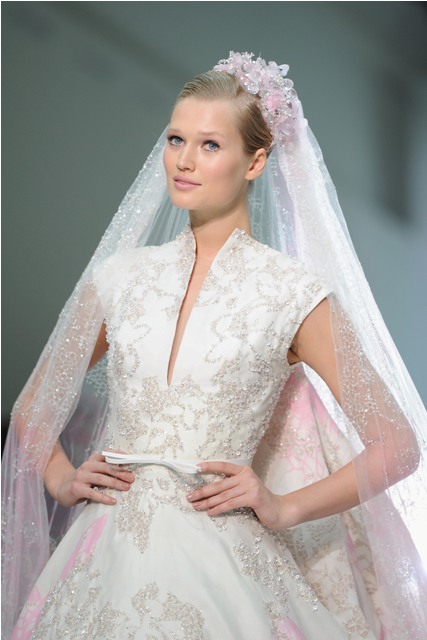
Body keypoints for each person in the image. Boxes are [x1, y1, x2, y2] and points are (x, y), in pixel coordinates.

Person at [2, 52, 426, 640]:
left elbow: (398, 444)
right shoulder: (121, 277)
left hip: (226, 558)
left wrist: (283, 506)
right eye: (176, 139)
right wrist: (61, 480)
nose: (183, 160)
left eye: (209, 145)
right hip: (103, 552)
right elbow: (33, 405)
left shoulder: (292, 293)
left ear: (255, 161)